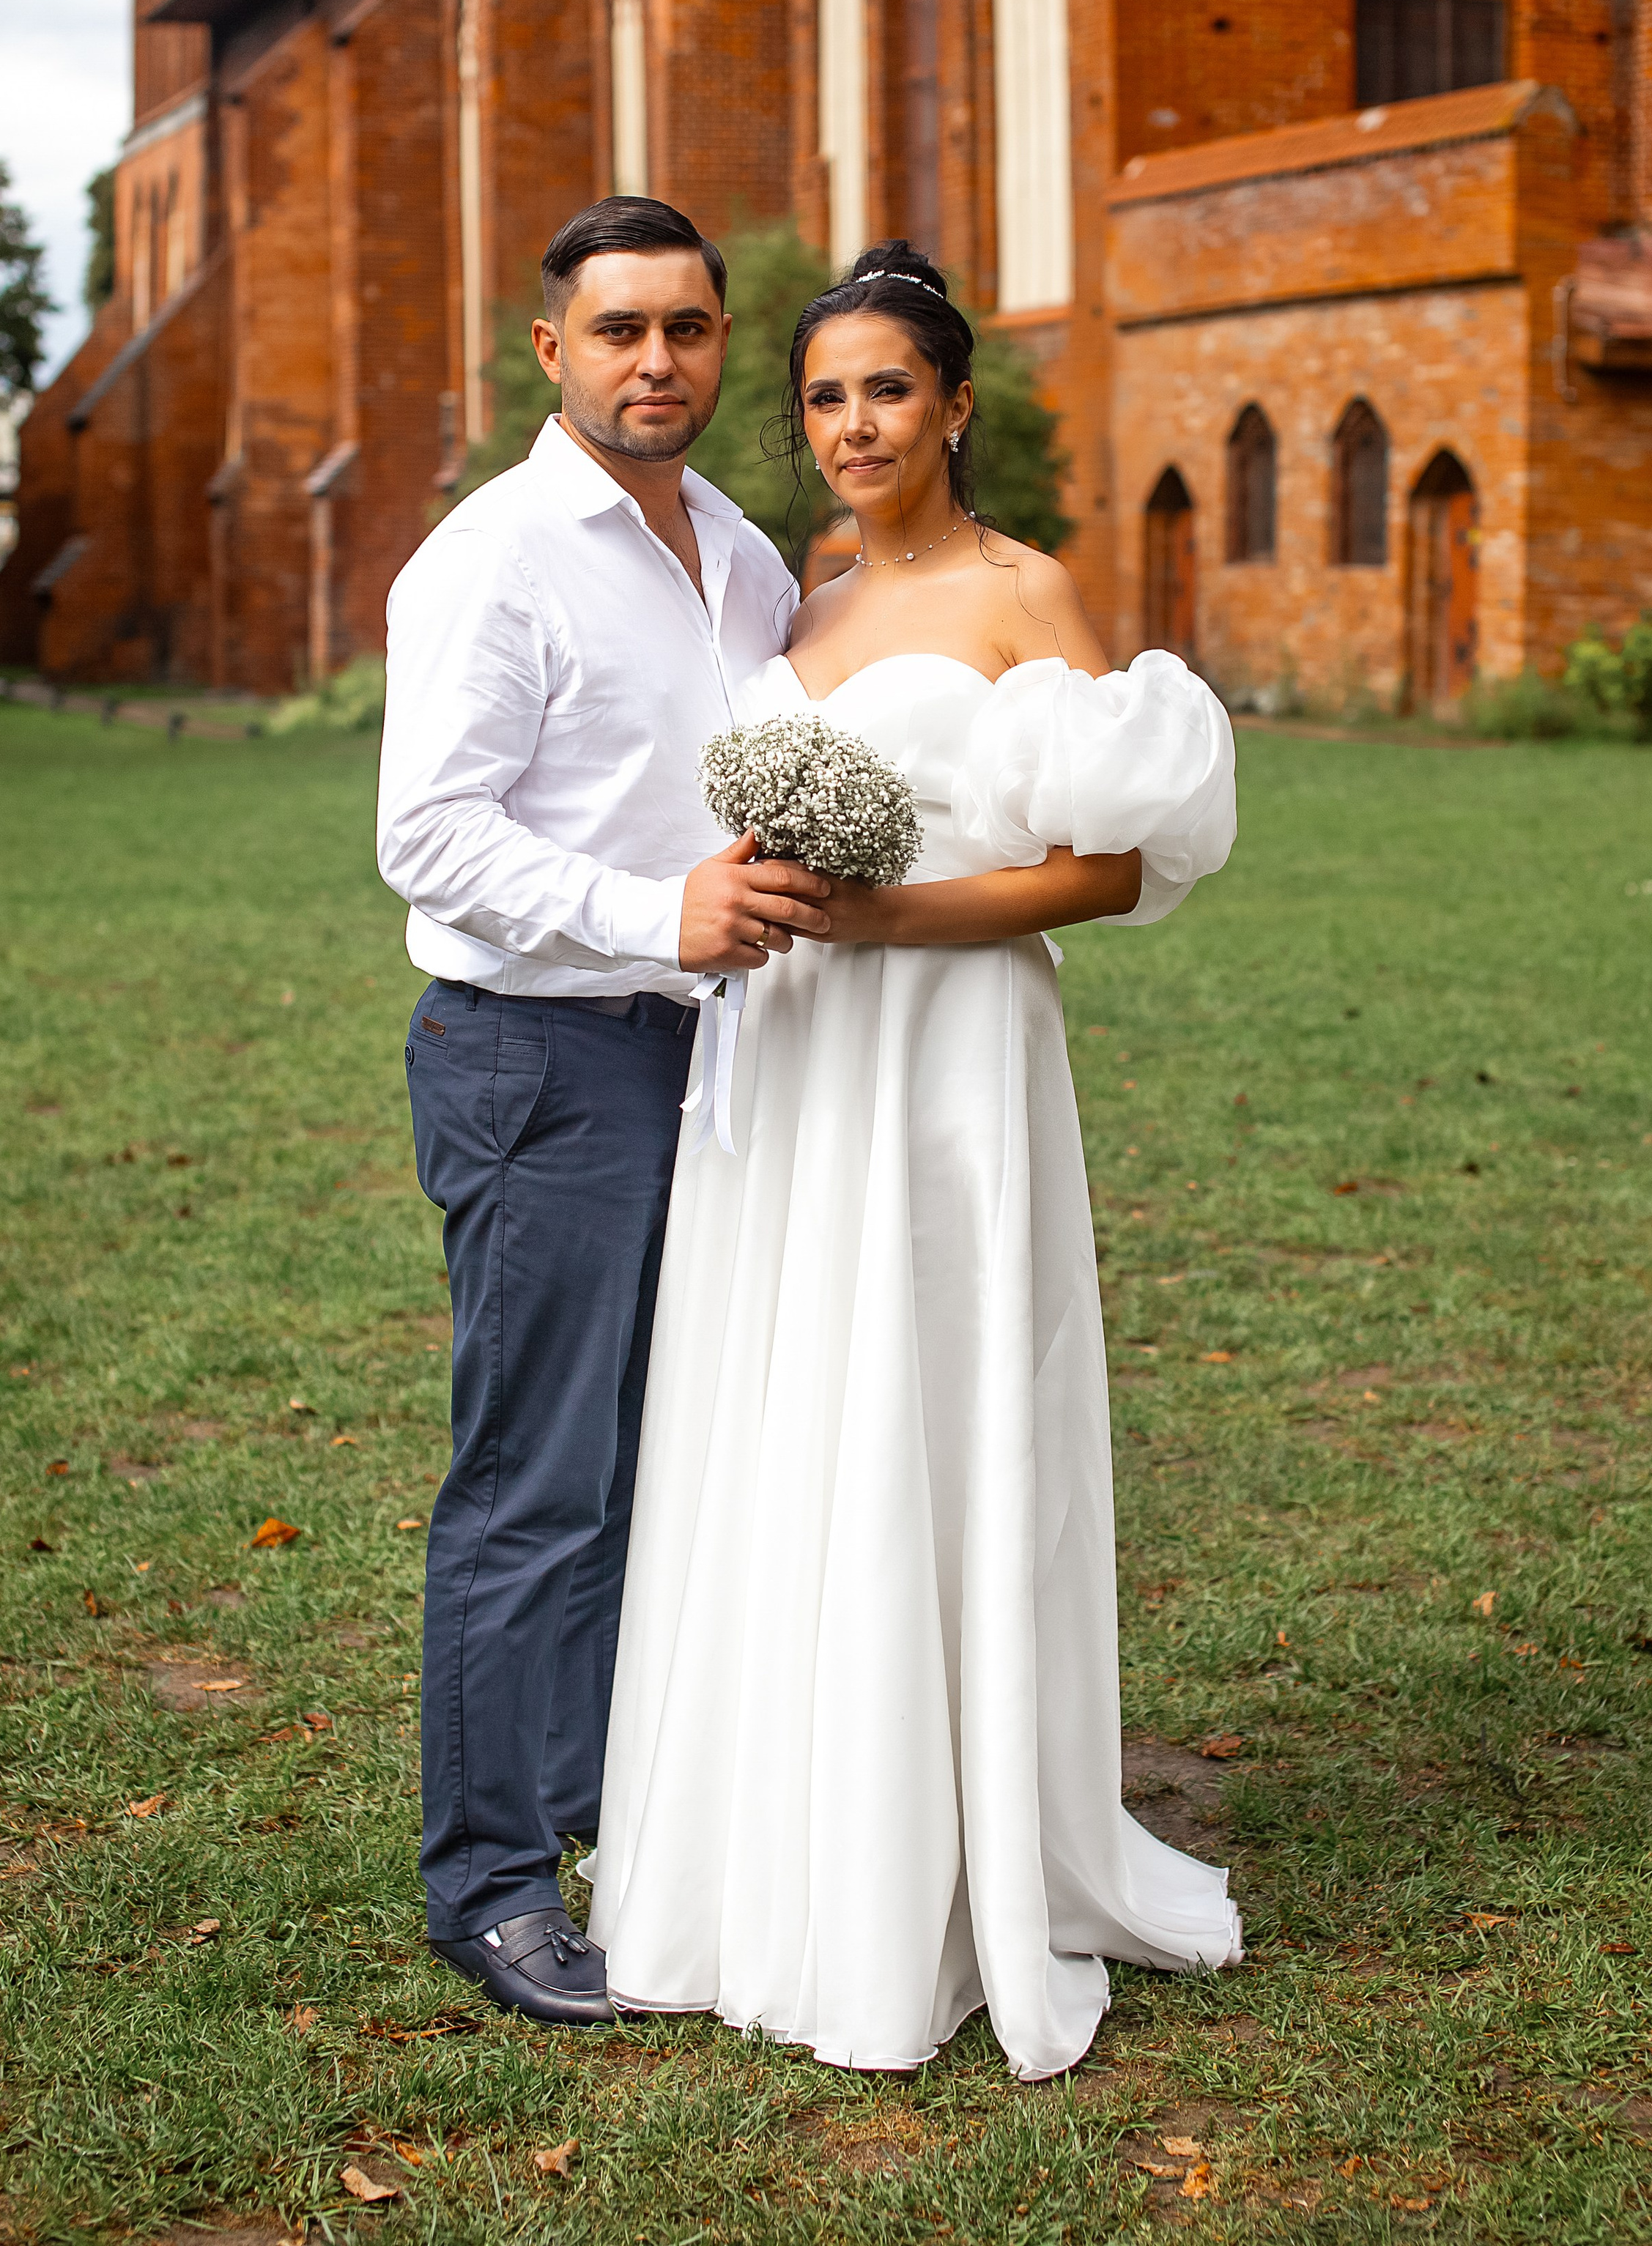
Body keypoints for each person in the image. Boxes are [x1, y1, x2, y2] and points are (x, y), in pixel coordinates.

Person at [588, 242, 1241, 2081]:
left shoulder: (1026, 596)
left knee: (929, 1410)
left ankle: (942, 1862)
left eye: (887, 387)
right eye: (822, 395)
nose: (853, 421)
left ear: (956, 404)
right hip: (786, 1058)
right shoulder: (796, 592)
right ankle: (774, 1842)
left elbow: (1108, 873)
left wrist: (893, 920)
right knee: (785, 1412)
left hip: (945, 1052)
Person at [376, 196, 831, 2027]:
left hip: (710, 1057)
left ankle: (606, 1818)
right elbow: (425, 832)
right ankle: (488, 1888)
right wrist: (660, 917)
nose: (660, 362)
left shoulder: (735, 547)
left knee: (664, 1464)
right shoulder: (490, 559)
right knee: (538, 1485)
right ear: (549, 350)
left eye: (692, 330)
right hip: (537, 1058)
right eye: (621, 329)